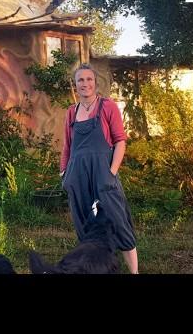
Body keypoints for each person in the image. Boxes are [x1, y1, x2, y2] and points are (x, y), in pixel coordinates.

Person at [60, 63, 138, 274]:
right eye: (80, 80)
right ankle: (94, 268)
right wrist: (64, 175)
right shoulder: (71, 112)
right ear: (75, 85)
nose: (85, 84)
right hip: (77, 176)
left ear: (95, 82)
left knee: (118, 220)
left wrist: (111, 172)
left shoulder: (107, 106)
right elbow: (67, 146)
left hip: (103, 173)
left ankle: (134, 272)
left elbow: (120, 141)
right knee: (85, 225)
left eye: (89, 79)